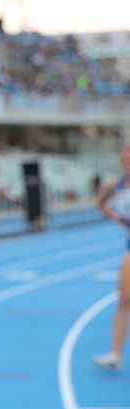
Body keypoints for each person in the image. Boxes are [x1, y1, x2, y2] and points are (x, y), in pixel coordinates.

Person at [93, 148, 130, 371]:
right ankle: (115, 354)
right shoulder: (115, 185)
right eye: (124, 161)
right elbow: (99, 204)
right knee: (124, 298)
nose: (127, 164)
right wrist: (116, 217)